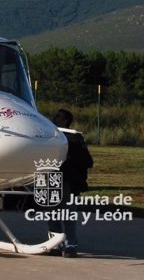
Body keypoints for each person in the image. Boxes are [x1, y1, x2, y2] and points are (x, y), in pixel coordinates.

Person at [48, 108, 94, 258]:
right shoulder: (48, 135)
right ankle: (55, 245)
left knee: (67, 216)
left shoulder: (74, 138)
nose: (53, 118)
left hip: (67, 181)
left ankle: (70, 246)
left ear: (66, 121)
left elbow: (87, 161)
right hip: (49, 180)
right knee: (51, 215)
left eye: (58, 117)